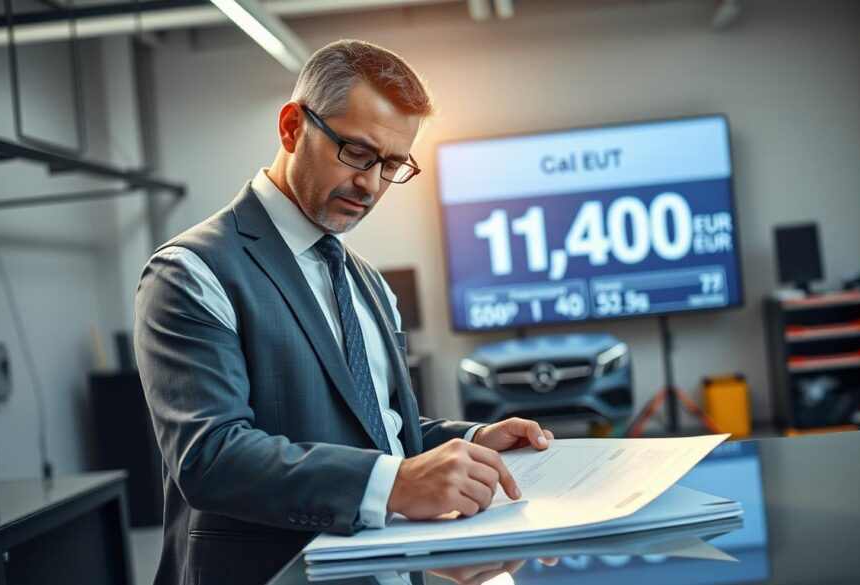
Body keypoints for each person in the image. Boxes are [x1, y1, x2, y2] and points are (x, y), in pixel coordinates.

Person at [134, 39, 554, 585]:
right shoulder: (192, 271)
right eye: (357, 153)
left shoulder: (370, 284)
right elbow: (211, 457)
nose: (372, 184)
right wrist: (397, 484)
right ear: (291, 127)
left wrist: (472, 441)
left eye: (393, 164)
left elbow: (374, 427)